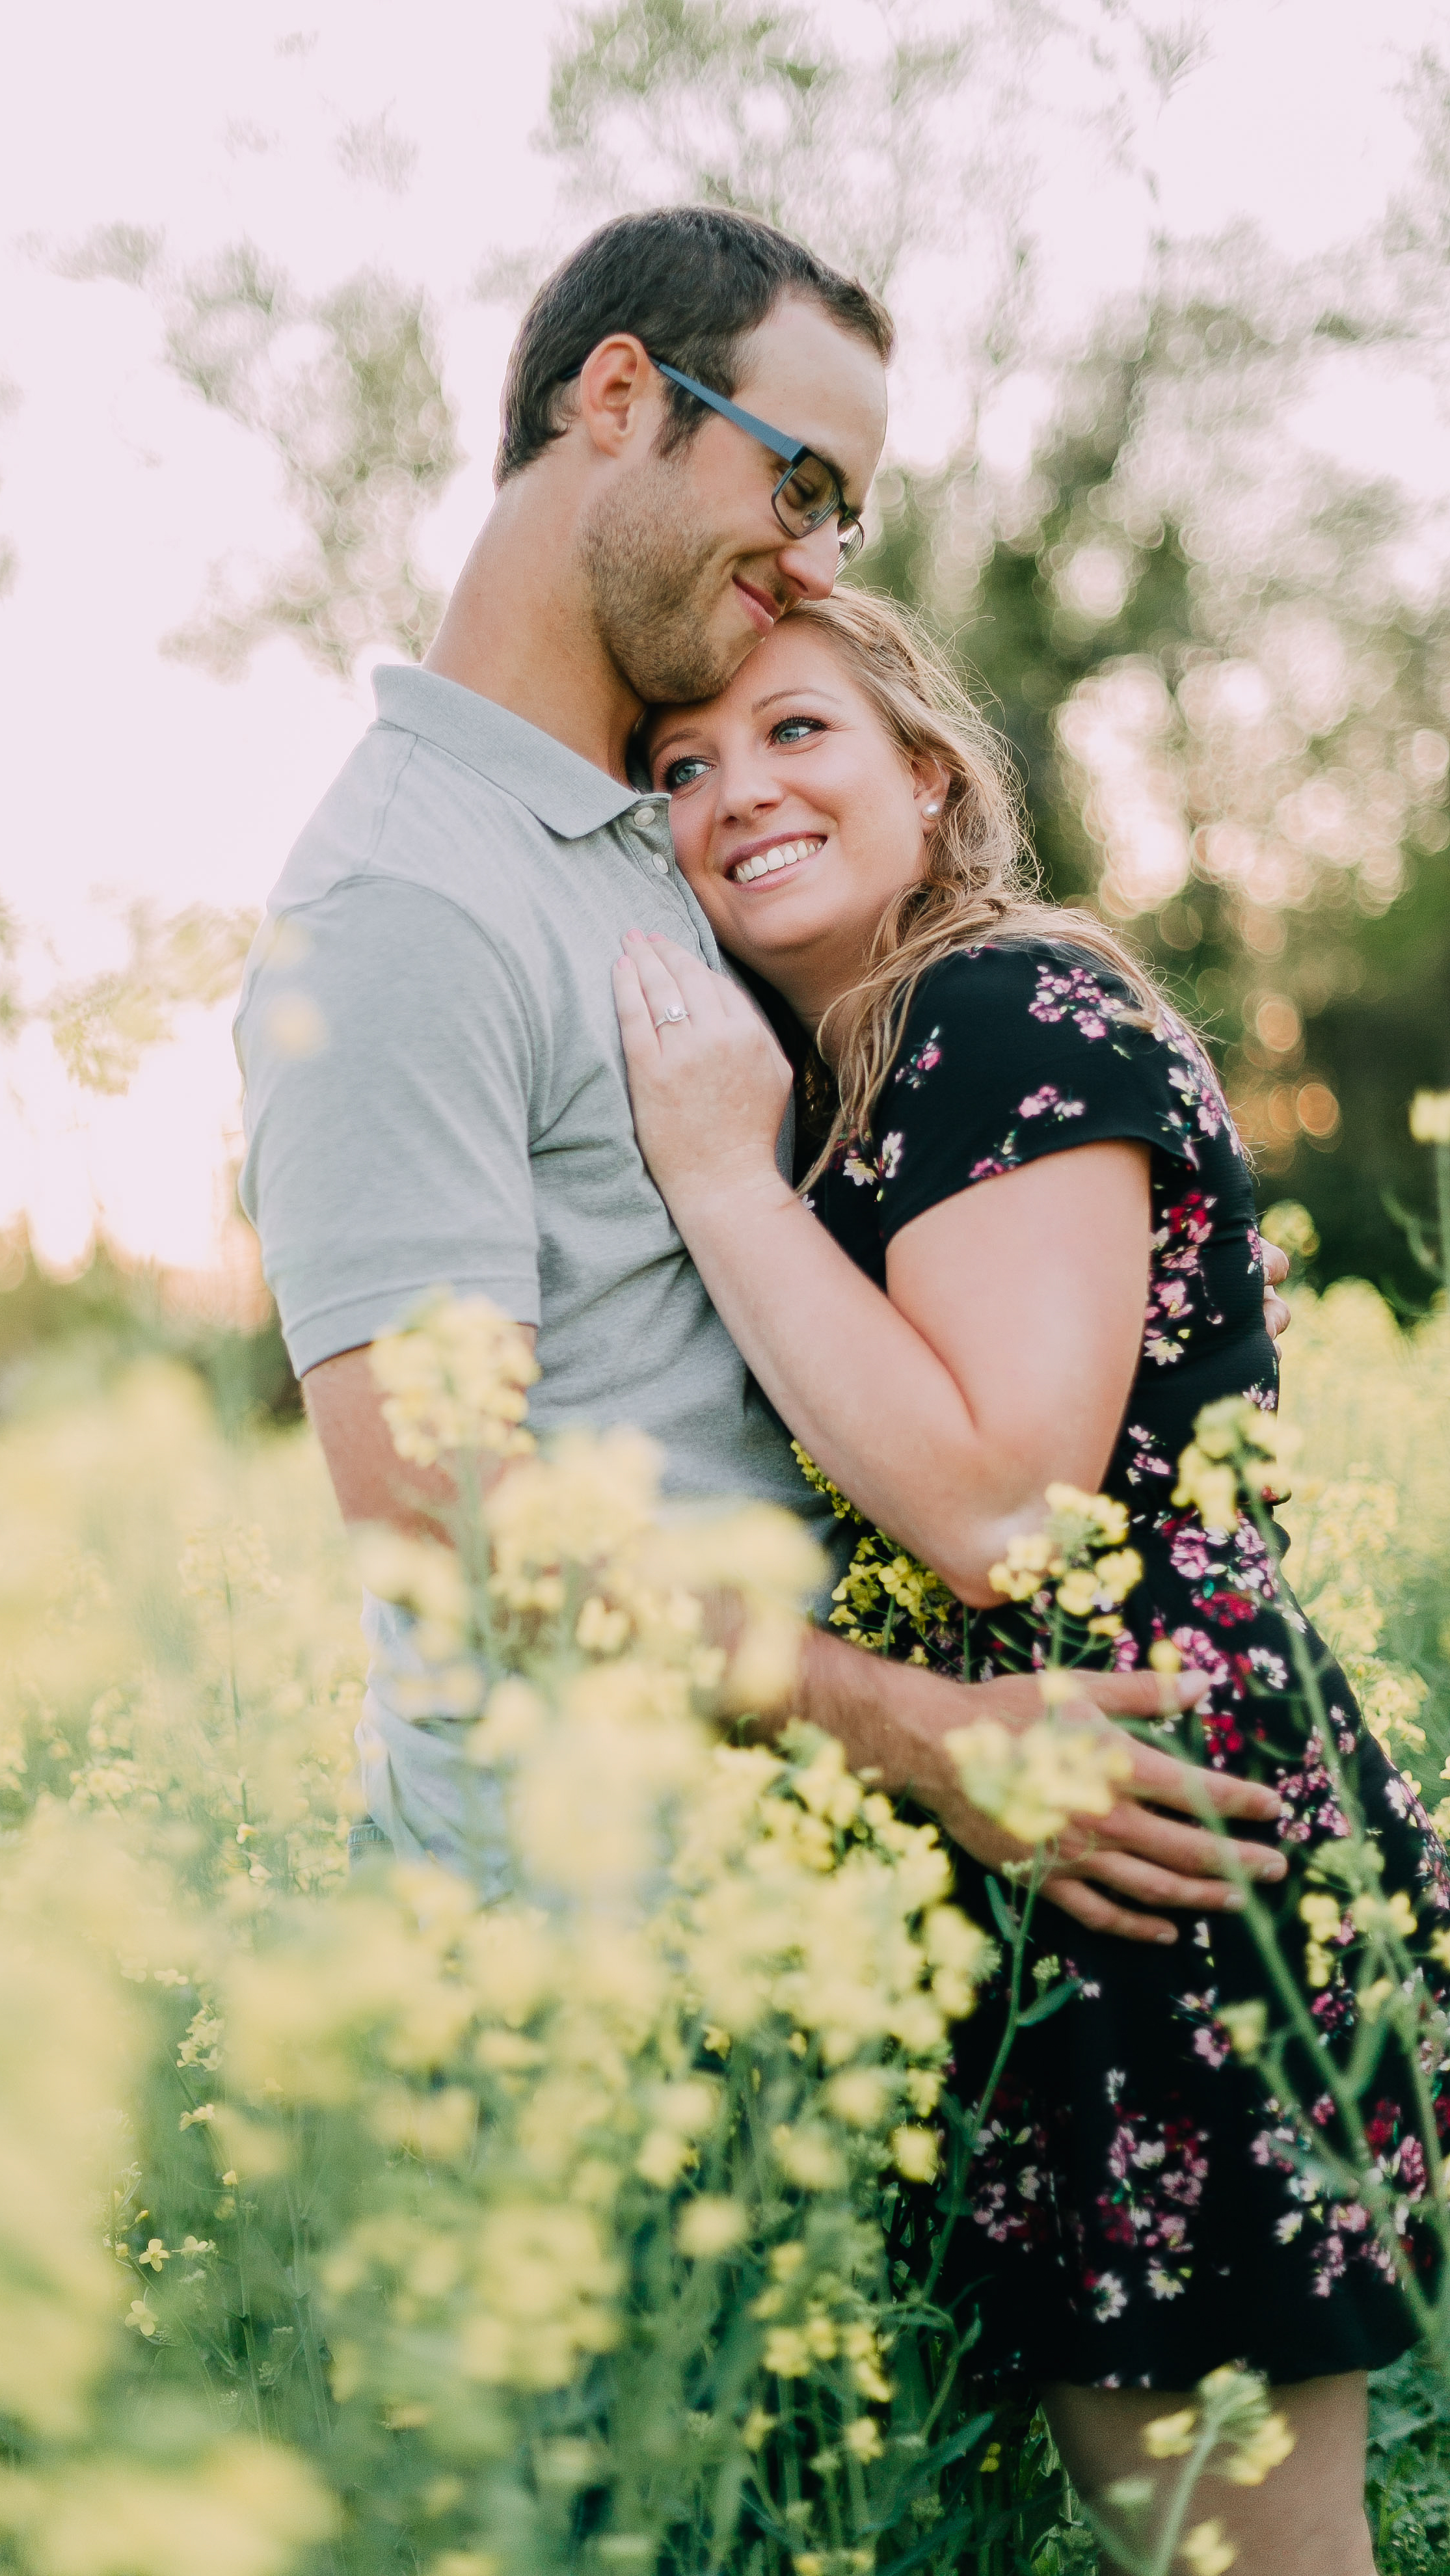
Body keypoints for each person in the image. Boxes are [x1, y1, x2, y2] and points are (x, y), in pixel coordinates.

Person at [237, 202, 1291, 1954]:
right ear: (620, 398)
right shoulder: (400, 905)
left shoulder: (672, 837)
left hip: (799, 1931)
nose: (817, 562)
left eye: (843, 519)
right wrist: (916, 1727)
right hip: (571, 1954)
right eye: (802, 486)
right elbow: (449, 1521)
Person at [611, 588, 1450, 2576]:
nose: (736, 793)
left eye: (796, 733)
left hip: (1151, 1827)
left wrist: (717, 1180)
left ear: (929, 772)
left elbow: (1008, 1508)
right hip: (1042, 1827)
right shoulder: (866, 1069)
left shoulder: (1002, 1014)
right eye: (680, 767)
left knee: (1236, 2545)